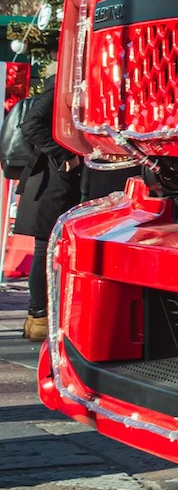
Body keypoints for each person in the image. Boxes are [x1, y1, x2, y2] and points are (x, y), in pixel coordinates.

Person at [16, 76, 77, 342]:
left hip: (51, 181)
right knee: (45, 250)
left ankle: (36, 317)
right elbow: (31, 124)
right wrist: (66, 156)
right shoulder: (62, 86)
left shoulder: (64, 85)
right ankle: (39, 317)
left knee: (46, 250)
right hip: (51, 182)